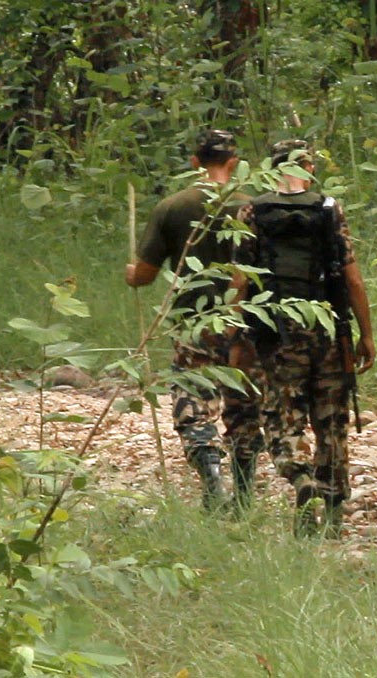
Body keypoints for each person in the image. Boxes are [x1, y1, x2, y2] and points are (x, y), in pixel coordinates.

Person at [229, 139, 375, 537]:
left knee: (281, 412)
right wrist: (366, 334)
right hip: (328, 327)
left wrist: (236, 334)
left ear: (274, 167)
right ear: (308, 165)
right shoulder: (329, 210)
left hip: (277, 331)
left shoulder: (253, 210)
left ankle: (299, 477)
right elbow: (352, 277)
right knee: (331, 419)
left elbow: (241, 279)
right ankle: (332, 512)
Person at [125, 129, 264, 511]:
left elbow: (147, 274)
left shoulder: (172, 207)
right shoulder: (254, 206)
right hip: (246, 321)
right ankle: (245, 490)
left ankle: (212, 479)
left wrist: (131, 274)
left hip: (194, 322)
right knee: (244, 403)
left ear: (194, 162)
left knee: (194, 402)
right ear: (233, 164)